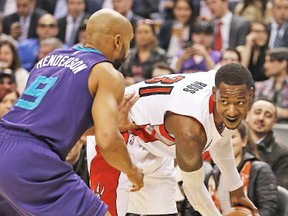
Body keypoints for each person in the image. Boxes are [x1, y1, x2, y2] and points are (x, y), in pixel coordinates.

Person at [0, 9, 143, 215]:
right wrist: (133, 172)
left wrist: (111, 124)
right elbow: (108, 141)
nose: (128, 51)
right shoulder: (106, 72)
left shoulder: (51, 58)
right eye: (129, 43)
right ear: (118, 41)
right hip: (30, 159)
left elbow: (47, 120)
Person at [90, 63, 259, 216]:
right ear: (214, 94)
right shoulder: (190, 132)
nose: (231, 111)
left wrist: (237, 190)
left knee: (165, 213)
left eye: (239, 102)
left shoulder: (227, 83)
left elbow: (221, 141)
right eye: (225, 102)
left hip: (154, 143)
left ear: (250, 95)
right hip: (119, 130)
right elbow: (194, 191)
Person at [207, 121, 278, 216]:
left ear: (244, 141)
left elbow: (268, 209)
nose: (225, 143)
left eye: (232, 137)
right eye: (220, 138)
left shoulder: (260, 170)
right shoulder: (211, 173)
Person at [246, 99, 288, 189]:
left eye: (268, 115)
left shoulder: (283, 154)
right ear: (247, 115)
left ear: (274, 122)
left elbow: (280, 191)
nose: (261, 118)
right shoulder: (234, 144)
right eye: (257, 112)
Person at [254, 47, 288, 123]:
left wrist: (284, 113)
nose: (265, 66)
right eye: (266, 61)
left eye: (271, 61)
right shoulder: (261, 87)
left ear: (283, 63)